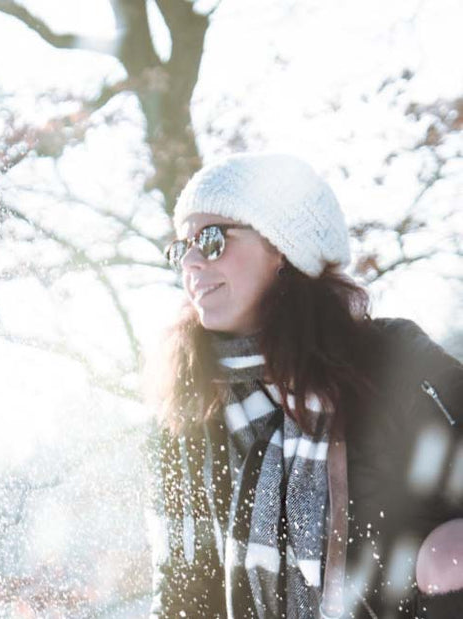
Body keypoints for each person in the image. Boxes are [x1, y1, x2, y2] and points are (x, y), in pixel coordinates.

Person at [146, 152, 463, 618]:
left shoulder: (388, 361)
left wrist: (434, 562)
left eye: (211, 240)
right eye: (182, 247)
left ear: (281, 246)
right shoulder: (188, 410)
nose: (191, 261)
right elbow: (182, 594)